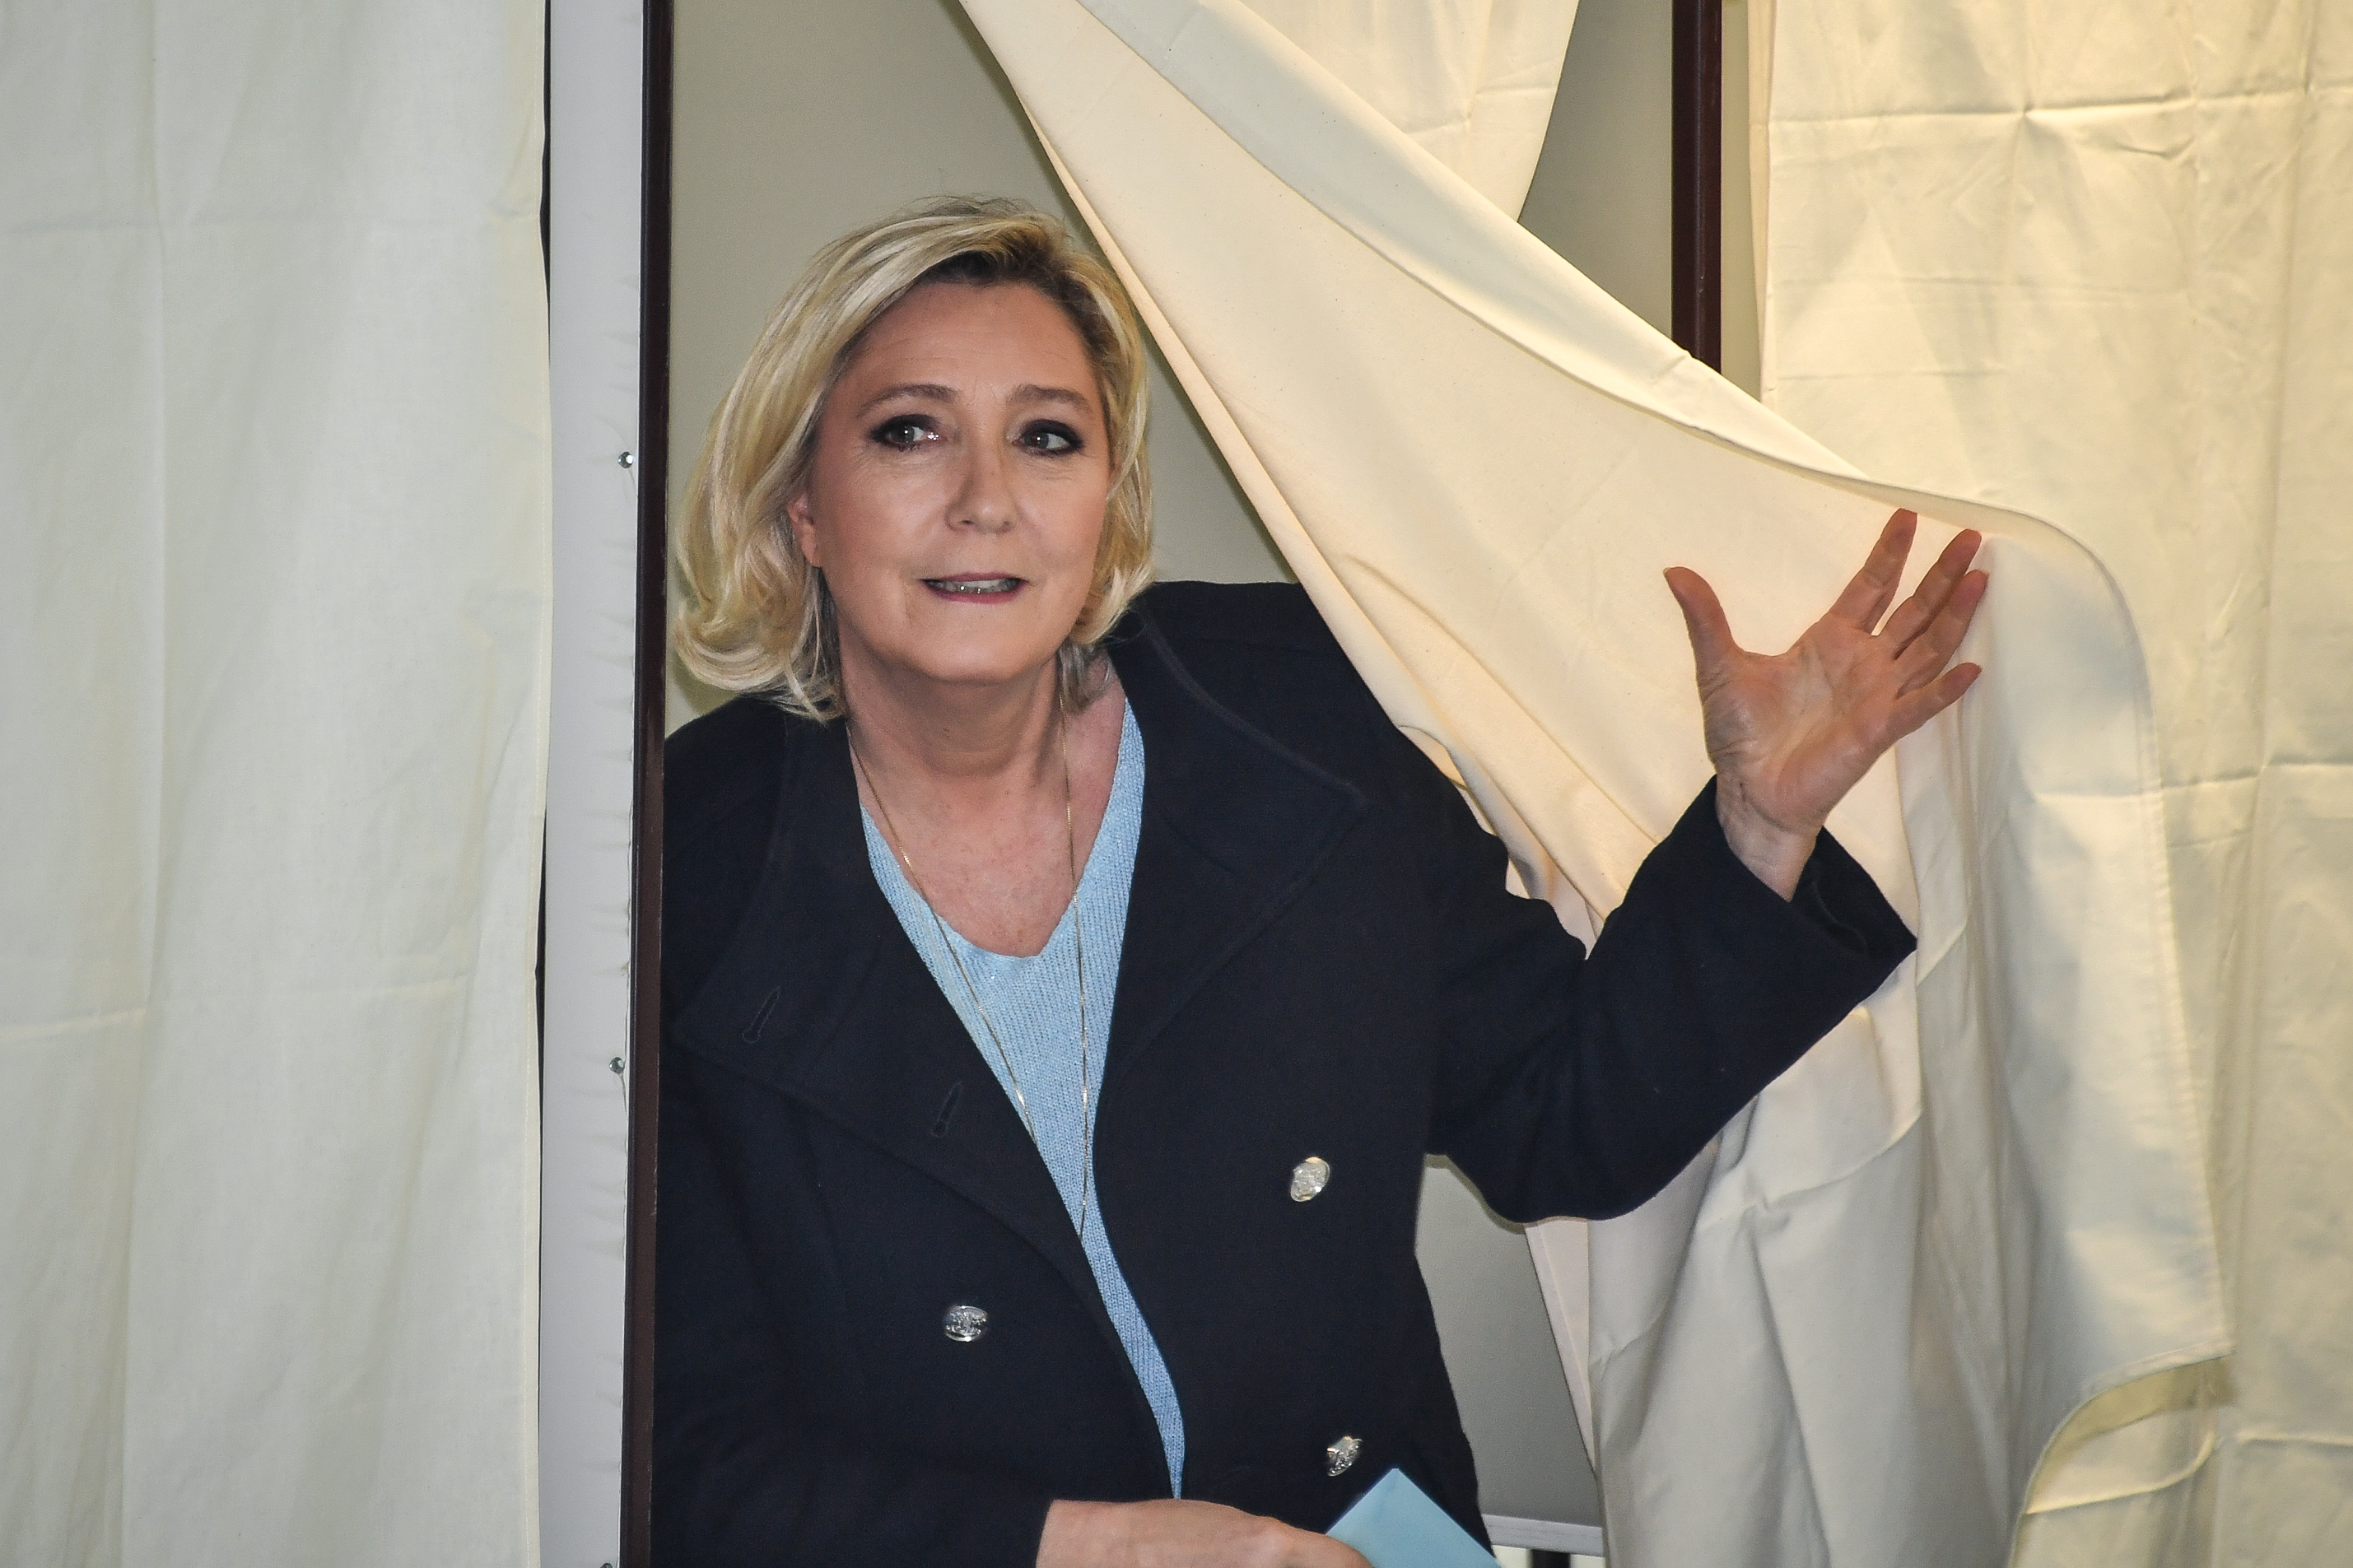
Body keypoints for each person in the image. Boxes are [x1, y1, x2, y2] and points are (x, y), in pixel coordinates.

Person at [655, 197, 1985, 1568]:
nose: (987, 497)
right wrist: (1098, 1550)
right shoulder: (677, 867)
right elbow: (684, 1459)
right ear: (804, 504)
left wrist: (1755, 827)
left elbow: (1555, 1113)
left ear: (1104, 504)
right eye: (910, 430)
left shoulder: (1288, 713)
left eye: (1047, 435)